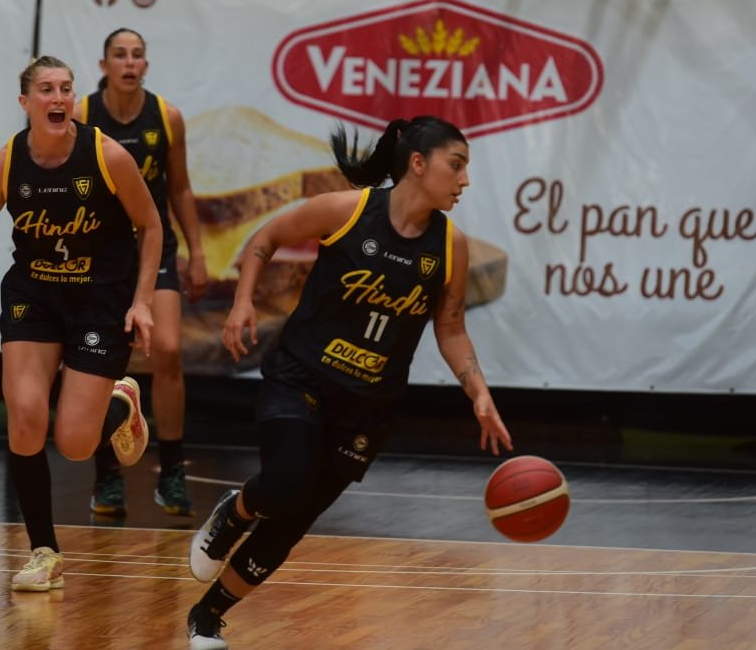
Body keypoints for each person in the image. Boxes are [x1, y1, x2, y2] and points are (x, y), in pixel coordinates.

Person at [184, 116, 513, 650]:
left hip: (366, 407)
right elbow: (266, 238)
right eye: (456, 166)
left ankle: (208, 615)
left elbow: (450, 327)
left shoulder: (450, 246)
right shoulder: (349, 210)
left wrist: (479, 392)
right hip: (301, 379)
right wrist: (243, 302)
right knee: (286, 481)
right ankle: (235, 511)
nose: (465, 180)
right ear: (418, 163)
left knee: (293, 522)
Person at [0, 55, 162, 591]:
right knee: (26, 421)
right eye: (47, 89)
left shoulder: (108, 156)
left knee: (75, 444)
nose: (58, 98)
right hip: (33, 295)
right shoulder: (5, 164)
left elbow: (150, 225)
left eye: (66, 89)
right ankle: (43, 552)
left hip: (100, 298)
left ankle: (121, 402)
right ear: (25, 102)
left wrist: (142, 301)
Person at [78, 28, 208, 518]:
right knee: (102, 361)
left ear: (146, 66)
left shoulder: (166, 117)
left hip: (155, 248)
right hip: (100, 255)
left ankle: (171, 471)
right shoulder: (82, 114)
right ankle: (106, 474)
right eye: (120, 55)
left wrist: (197, 251)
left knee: (168, 349)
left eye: (137, 55)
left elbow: (181, 189)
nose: (129, 62)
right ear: (104, 65)